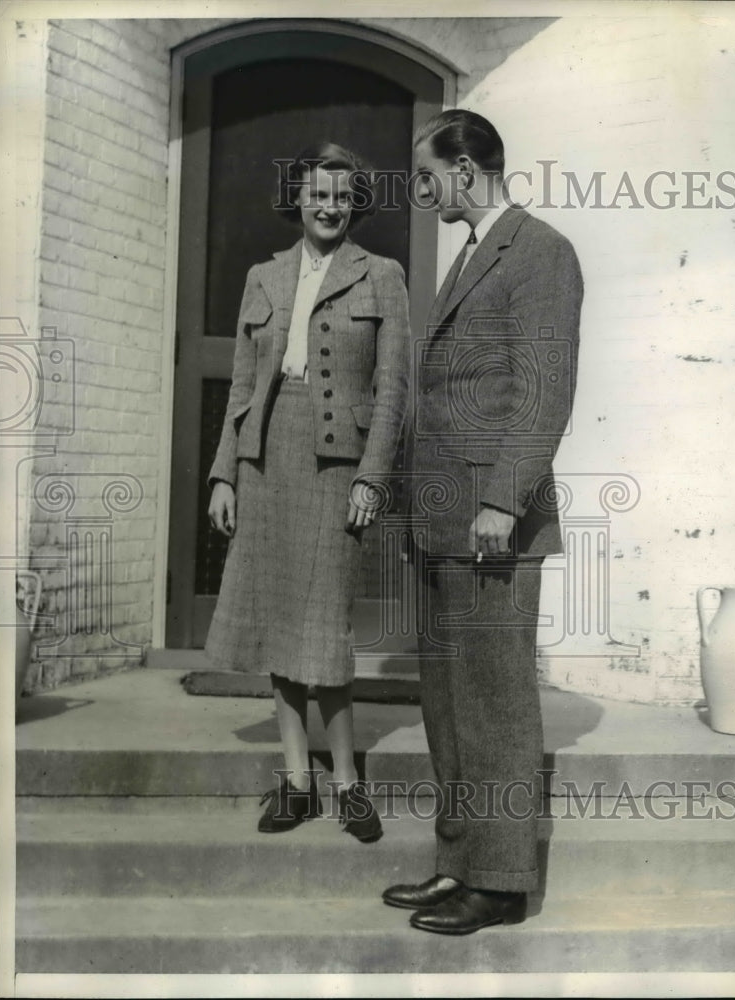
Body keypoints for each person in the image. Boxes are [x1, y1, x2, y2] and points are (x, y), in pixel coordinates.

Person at [382, 110, 582, 932]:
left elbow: (543, 389)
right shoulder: (468, 253)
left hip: (490, 521)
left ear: (464, 170)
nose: (423, 193)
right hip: (441, 518)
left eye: (428, 178)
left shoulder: (539, 252)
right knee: (448, 703)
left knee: (493, 704)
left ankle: (498, 884)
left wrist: (503, 499)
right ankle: (457, 863)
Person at [206, 142, 410, 843]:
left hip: (336, 466)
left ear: (356, 204)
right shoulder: (262, 276)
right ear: (296, 197)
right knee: (276, 622)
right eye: (318, 194)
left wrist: (371, 476)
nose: (329, 206)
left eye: (342, 196)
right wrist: (224, 473)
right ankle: (297, 782)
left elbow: (393, 389)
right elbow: (240, 386)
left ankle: (348, 784)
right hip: (265, 460)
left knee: (323, 628)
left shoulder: (381, 274)